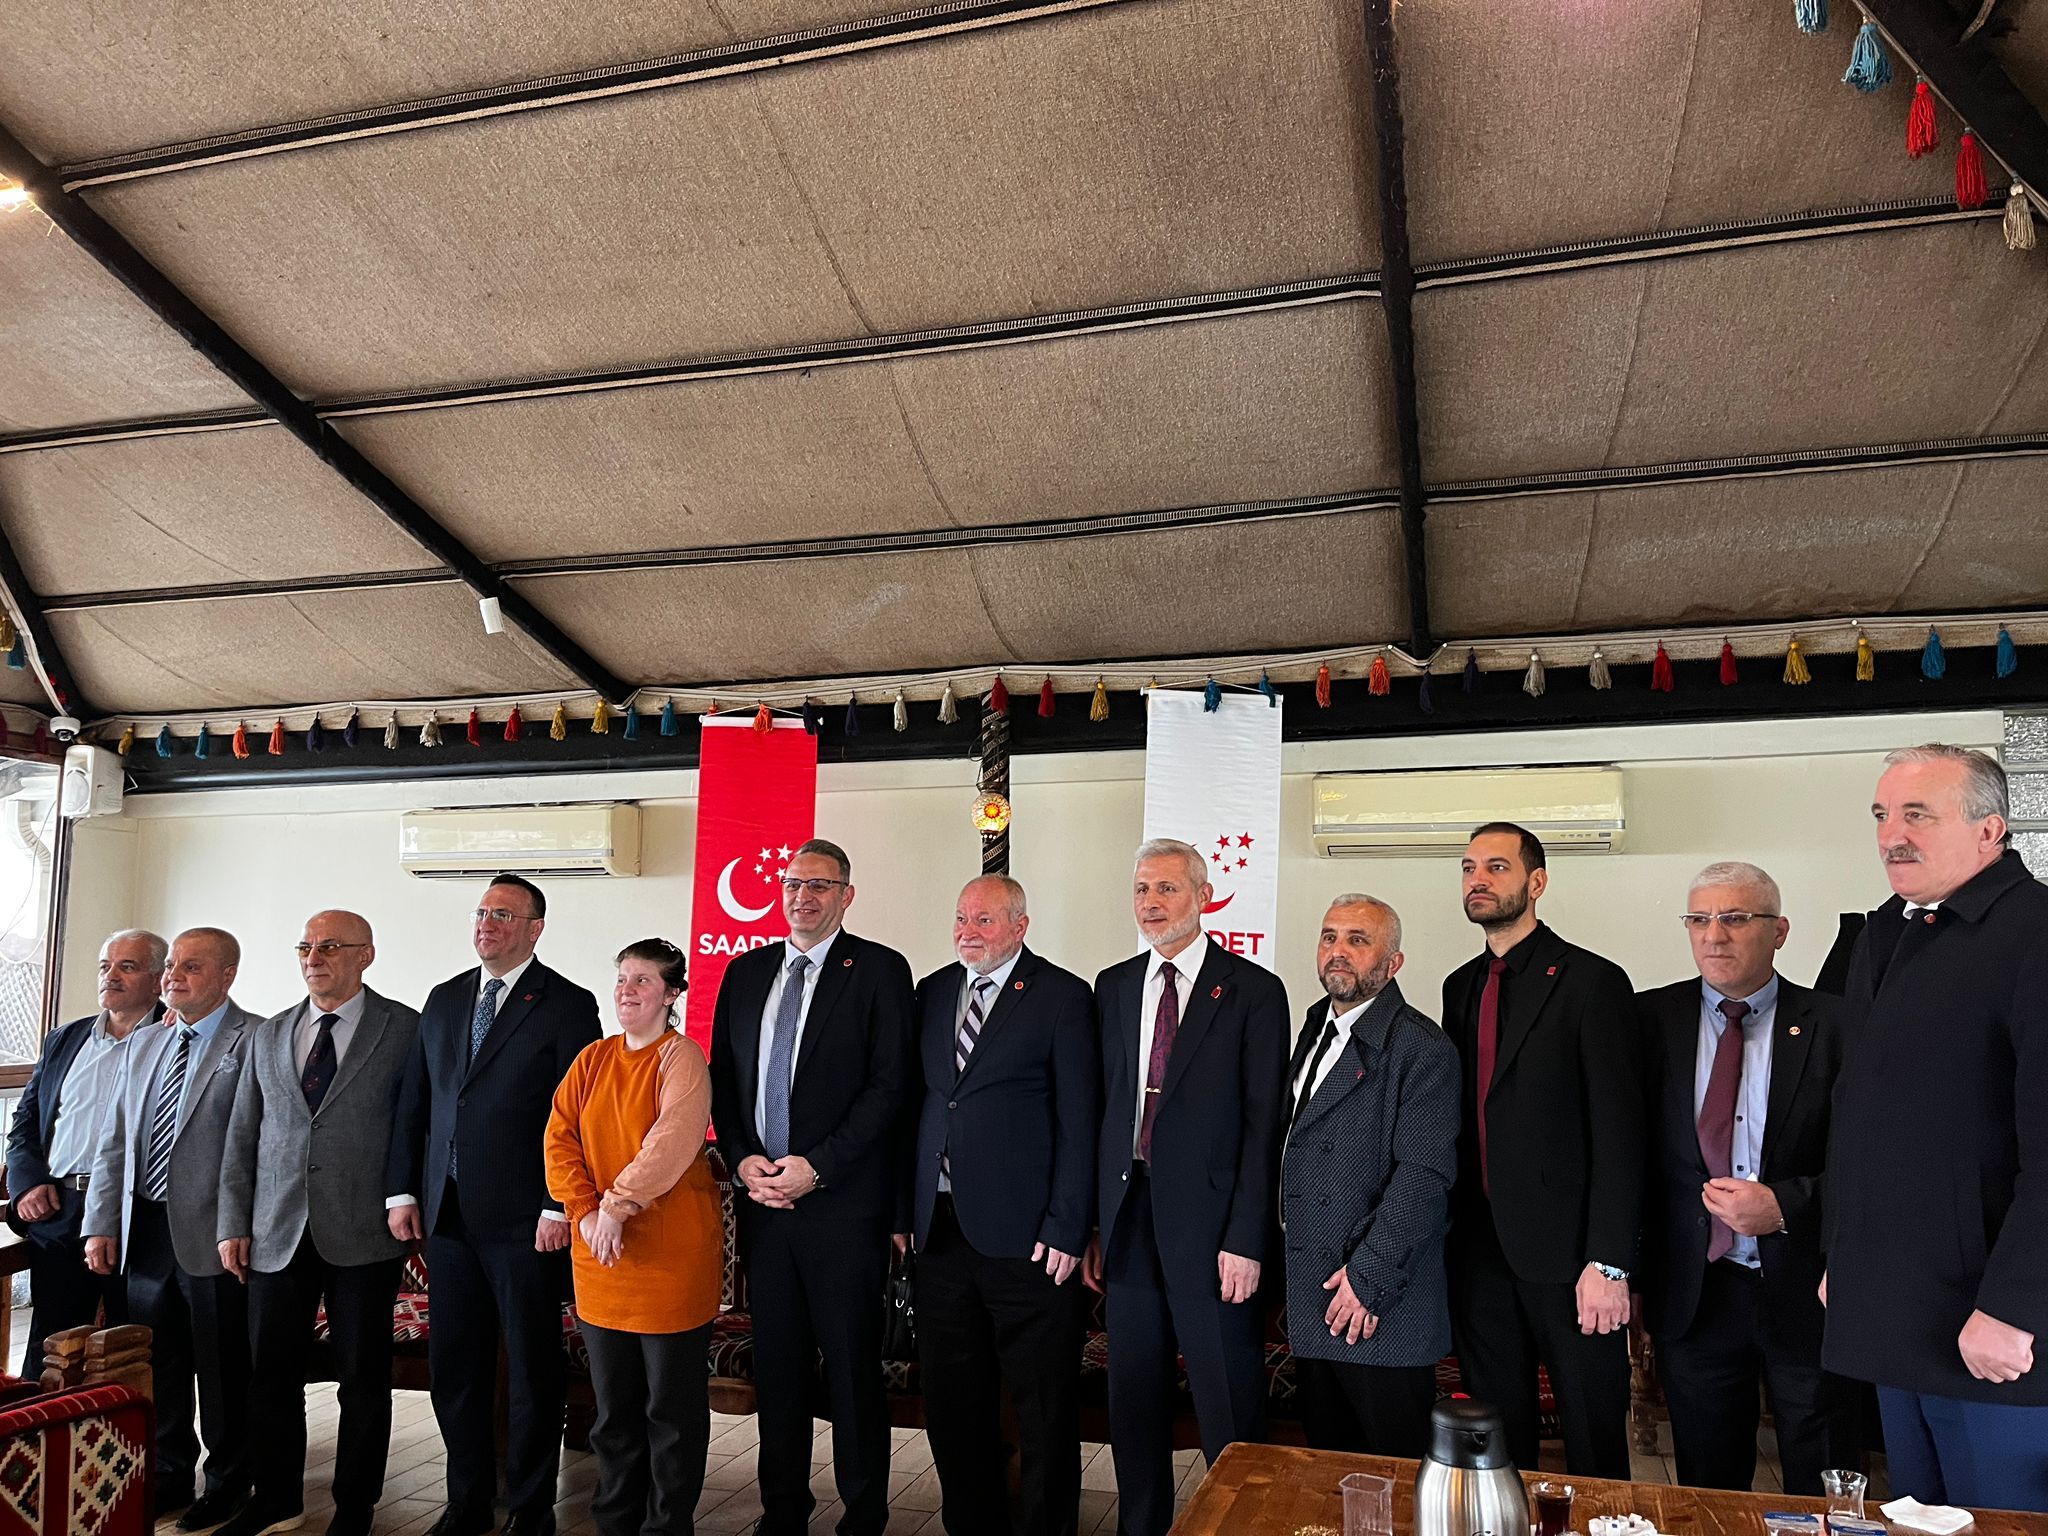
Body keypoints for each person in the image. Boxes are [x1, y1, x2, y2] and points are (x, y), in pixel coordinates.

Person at [1824, 744, 2048, 1512]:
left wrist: (2016, 1306)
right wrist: (1845, 1257)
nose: (1892, 835)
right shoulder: (1889, 931)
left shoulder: (2036, 933)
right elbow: (1865, 1117)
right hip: (1901, 1316)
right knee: (1916, 1520)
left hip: (1997, 1333)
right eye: (1883, 815)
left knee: (2000, 1523)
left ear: (1990, 829)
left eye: (1917, 814)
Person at [707, 839, 914, 1536]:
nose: (803, 896)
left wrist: (816, 1166)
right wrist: (742, 1159)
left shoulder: (879, 970)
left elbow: (890, 1087)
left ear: (846, 896)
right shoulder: (745, 972)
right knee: (779, 1370)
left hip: (842, 1206)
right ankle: (783, 1512)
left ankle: (864, 1516)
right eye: (794, 883)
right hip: (764, 1206)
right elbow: (725, 1080)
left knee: (853, 1372)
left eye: (819, 885)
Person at [1083, 838, 1288, 1536]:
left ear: (1203, 897)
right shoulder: (1113, 986)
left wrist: (1247, 1238)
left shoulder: (1253, 990)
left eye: (1167, 888)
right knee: (1133, 1402)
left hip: (1215, 1233)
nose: (1151, 902)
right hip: (1129, 1220)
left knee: (1226, 1401)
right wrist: (1096, 1225)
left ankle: (1243, 1527)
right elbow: (1105, 1110)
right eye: (1142, 889)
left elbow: (1264, 1126)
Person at [386, 874, 602, 1536]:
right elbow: (418, 1101)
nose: (487, 923)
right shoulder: (446, 997)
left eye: (504, 915)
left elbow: (580, 1117)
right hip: (447, 1214)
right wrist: (403, 1189)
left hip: (526, 1222)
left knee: (533, 1370)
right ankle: (467, 1501)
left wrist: (557, 1204)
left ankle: (532, 1508)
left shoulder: (567, 1004)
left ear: (535, 929)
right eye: (482, 912)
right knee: (457, 1367)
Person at [1441, 823, 1642, 1478]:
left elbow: (1621, 1132)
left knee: (1593, 1441)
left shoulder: (1592, 982)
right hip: (1479, 1255)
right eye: (1469, 867)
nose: (1478, 879)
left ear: (1537, 882)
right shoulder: (1460, 987)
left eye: (1496, 867)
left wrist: (1609, 1262)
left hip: (1571, 1261)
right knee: (1497, 1448)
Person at [1638, 863, 1844, 1494]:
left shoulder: (1837, 1023)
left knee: (1821, 1474)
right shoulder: (1647, 1019)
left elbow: (1869, 1164)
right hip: (1697, 1287)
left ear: (1778, 931)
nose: (1714, 935)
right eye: (1699, 919)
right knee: (1709, 1483)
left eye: (1735, 918)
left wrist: (1785, 1206)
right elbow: (1626, 1155)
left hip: (1808, 1287)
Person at [215, 911, 422, 1536]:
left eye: (330, 946)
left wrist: (406, 1199)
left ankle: (355, 1508)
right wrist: (232, 1221)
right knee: (271, 1375)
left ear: (365, 955)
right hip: (276, 1232)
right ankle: (276, 1499)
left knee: (362, 1380)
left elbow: (416, 1126)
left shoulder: (404, 1028)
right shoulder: (270, 1033)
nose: (314, 957)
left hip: (364, 1230)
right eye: (305, 946)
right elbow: (243, 1132)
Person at [907, 876, 1098, 1536]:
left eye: (984, 920)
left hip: (1030, 1243)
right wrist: (905, 1214)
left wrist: (1068, 1226)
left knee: (1043, 1408)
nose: (968, 931)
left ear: (1020, 925)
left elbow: (1080, 1121)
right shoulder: (933, 992)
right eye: (961, 918)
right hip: (939, 1236)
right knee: (952, 1406)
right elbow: (922, 1106)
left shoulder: (1063, 996)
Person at [83, 926, 260, 1529]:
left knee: (222, 1366)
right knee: (160, 1360)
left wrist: (239, 1226)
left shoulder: (256, 1038)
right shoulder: (146, 1040)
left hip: (217, 1235)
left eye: (191, 967)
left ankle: (229, 1482)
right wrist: (101, 1222)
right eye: (171, 967)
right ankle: (169, 1473)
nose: (173, 977)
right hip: (145, 1228)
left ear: (227, 975)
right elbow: (114, 1139)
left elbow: (260, 1147)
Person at [545, 938, 722, 1536]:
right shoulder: (593, 1058)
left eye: (643, 980)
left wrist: (615, 1208)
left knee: (669, 1411)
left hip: (669, 1261)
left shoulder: (682, 1058)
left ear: (671, 995)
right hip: (600, 1257)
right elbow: (559, 1137)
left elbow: (670, 1143)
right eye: (622, 978)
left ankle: (667, 1526)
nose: (627, 990)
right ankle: (614, 1521)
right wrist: (585, 1211)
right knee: (613, 1411)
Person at [1280, 895, 1457, 1458]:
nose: (1338, 951)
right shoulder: (1315, 1025)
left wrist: (1367, 1279)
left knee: (1392, 1478)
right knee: (1327, 1476)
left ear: (1393, 962)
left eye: (1358, 940)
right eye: (1329, 936)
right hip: (1316, 1297)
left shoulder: (1422, 1047)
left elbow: (1423, 1180)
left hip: (1379, 1305)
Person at [6, 928, 164, 1375]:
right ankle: (39, 1420)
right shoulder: (66, 1038)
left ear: (158, 981)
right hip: (60, 1209)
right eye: (105, 966)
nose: (111, 976)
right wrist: (27, 1184)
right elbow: (26, 1124)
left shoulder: (174, 1040)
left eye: (127, 967)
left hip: (136, 1214)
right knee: (50, 1346)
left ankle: (122, 1420)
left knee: (131, 1345)